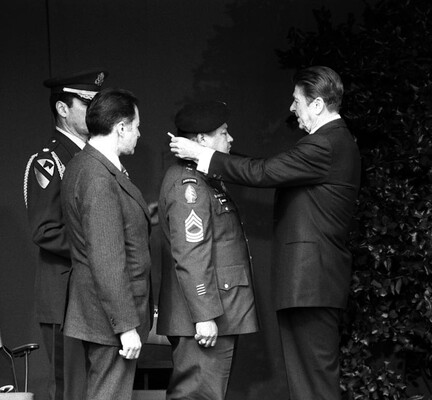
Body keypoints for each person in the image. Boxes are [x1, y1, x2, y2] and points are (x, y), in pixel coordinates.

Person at [169, 66, 361, 400]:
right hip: (312, 283)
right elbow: (264, 167)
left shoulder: (325, 144)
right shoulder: (330, 143)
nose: (291, 108)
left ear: (316, 105)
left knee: (313, 380)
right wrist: (211, 157)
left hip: (311, 283)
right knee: (308, 379)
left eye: (296, 101)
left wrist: (203, 155)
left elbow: (265, 172)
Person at [157, 101, 259, 400]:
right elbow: (192, 252)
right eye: (223, 132)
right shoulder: (189, 184)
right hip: (203, 315)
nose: (230, 139)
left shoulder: (203, 178)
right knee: (196, 396)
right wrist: (204, 315)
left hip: (217, 310)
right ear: (201, 140)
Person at [60, 88, 153, 400]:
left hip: (98, 310)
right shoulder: (100, 177)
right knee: (110, 394)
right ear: (121, 127)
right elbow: (107, 257)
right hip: (109, 317)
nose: (139, 134)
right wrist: (126, 326)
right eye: (137, 126)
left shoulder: (81, 164)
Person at [23, 68, 106, 400]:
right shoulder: (50, 160)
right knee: (70, 389)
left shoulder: (94, 159)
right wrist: (101, 248)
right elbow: (45, 231)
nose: (96, 113)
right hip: (65, 295)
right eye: (87, 104)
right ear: (62, 108)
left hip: (95, 294)